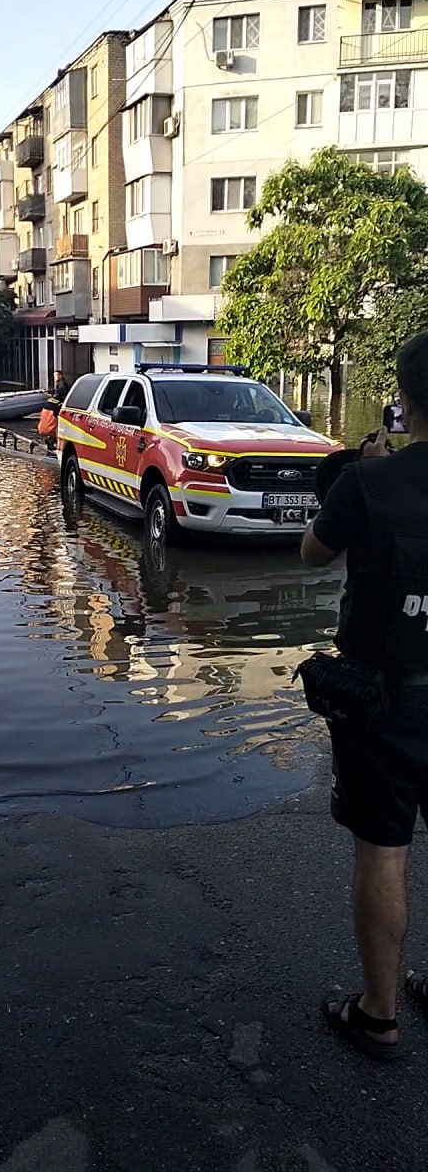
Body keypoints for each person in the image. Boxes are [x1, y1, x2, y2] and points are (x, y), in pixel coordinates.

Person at [301, 331, 428, 1061]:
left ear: (404, 400)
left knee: (384, 851)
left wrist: (361, 475)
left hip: (387, 704)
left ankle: (378, 1016)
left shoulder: (370, 482)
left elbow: (313, 552)